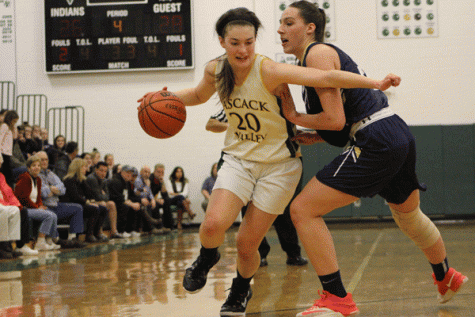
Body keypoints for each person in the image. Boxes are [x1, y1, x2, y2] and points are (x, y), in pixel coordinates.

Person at [138, 7, 399, 316]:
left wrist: (375, 83)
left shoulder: (269, 70)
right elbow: (197, 94)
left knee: (248, 244)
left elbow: (325, 75)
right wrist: (163, 97)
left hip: (279, 166)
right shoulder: (215, 71)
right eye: (235, 42)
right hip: (238, 159)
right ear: (223, 42)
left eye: (249, 42)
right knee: (212, 224)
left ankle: (239, 290)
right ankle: (207, 257)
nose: (243, 49)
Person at [277, 2, 468, 316]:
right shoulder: (315, 60)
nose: (281, 29)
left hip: (375, 138)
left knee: (302, 209)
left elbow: (336, 119)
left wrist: (295, 116)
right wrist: (318, 133)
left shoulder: (316, 53)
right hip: (394, 131)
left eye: (288, 22)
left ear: (310, 27)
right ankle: (445, 274)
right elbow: (339, 125)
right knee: (409, 217)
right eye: (280, 23)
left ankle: (335, 297)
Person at [207, 110, 308, 267]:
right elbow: (211, 124)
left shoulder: (276, 99)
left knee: (284, 212)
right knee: (248, 211)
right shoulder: (235, 101)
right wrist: (237, 126)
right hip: (247, 163)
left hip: (277, 163)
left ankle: (293, 253)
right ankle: (259, 254)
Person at [36, 151, 86, 248]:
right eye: (42, 159)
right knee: (50, 214)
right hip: (45, 206)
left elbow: (63, 189)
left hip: (56, 205)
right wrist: (51, 189)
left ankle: (72, 238)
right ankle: (56, 239)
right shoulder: (36, 175)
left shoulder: (51, 174)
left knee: (77, 208)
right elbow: (43, 193)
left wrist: (53, 189)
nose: (44, 162)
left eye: (46, 159)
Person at [14, 155, 61, 251]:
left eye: (38, 165)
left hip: (33, 207)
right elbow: (23, 198)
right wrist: (36, 207)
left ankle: (49, 240)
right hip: (24, 208)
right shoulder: (24, 178)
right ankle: (40, 242)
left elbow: (39, 197)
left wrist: (40, 205)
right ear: (28, 168)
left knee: (53, 214)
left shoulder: (38, 179)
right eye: (34, 165)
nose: (37, 167)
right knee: (48, 215)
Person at [61, 158, 108, 243]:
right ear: (78, 167)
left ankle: (97, 233)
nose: (86, 169)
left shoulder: (82, 179)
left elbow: (90, 194)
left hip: (81, 203)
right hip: (72, 204)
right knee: (94, 209)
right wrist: (88, 202)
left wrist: (94, 201)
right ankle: (89, 235)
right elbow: (75, 197)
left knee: (103, 209)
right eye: (84, 167)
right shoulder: (70, 179)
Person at [86, 161, 122, 239]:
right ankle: (99, 232)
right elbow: (98, 196)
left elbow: (107, 196)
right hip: (90, 201)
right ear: (96, 170)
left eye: (105, 171)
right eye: (101, 170)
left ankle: (114, 231)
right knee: (103, 204)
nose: (103, 173)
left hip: (98, 200)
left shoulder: (104, 180)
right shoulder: (92, 178)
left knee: (111, 203)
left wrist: (103, 195)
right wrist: (102, 194)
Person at [108, 165, 141, 238]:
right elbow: (117, 197)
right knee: (125, 206)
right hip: (115, 201)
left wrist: (131, 202)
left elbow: (127, 196)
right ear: (122, 172)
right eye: (127, 173)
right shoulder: (116, 181)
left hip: (122, 200)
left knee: (136, 205)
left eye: (131, 173)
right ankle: (121, 231)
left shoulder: (126, 182)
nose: (130, 175)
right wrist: (130, 203)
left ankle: (131, 230)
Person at [134, 165, 168, 234]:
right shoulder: (138, 180)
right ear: (141, 172)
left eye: (148, 172)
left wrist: (152, 199)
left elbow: (150, 193)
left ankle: (160, 226)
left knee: (156, 203)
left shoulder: (147, 181)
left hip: (145, 200)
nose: (147, 174)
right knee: (148, 204)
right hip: (137, 199)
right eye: (145, 172)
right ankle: (152, 228)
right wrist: (144, 198)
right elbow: (136, 193)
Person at [0, 166, 21, 259]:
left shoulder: (1, 176)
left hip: (2, 202)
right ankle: (3, 244)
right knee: (3, 210)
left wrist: (15, 203)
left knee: (15, 210)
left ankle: (12, 244)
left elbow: (8, 192)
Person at [149, 164, 174, 230]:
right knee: (156, 204)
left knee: (167, 201)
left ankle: (169, 226)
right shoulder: (150, 179)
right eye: (158, 172)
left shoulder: (160, 180)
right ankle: (159, 226)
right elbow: (147, 193)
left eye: (162, 172)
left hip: (154, 199)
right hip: (148, 199)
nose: (160, 174)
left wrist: (162, 183)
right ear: (154, 171)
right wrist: (156, 199)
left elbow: (165, 194)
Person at [0, 110, 19, 187]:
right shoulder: (4, 126)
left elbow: (15, 137)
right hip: (3, 153)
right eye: (14, 121)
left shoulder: (10, 128)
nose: (14, 123)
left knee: (8, 175)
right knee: (8, 175)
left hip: (8, 153)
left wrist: (14, 128)